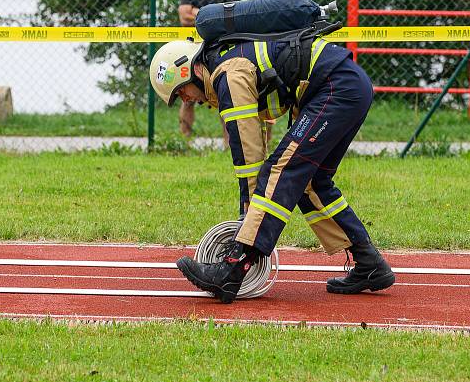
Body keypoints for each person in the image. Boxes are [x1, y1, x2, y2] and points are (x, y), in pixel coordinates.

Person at [149, 26, 396, 304]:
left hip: (335, 88)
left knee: (281, 170)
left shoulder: (227, 74)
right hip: (345, 86)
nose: (186, 100)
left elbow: (247, 152)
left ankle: (233, 267)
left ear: (191, 69)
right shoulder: (228, 65)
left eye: (181, 92)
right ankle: (369, 264)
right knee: (310, 182)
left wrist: (247, 219)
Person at [178, 0, 237, 140]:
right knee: (187, 99)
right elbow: (184, 17)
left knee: (224, 97)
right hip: (192, 50)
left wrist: (197, 11)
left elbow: (230, 18)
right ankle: (184, 144)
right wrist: (211, 13)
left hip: (219, 50)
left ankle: (228, 147)